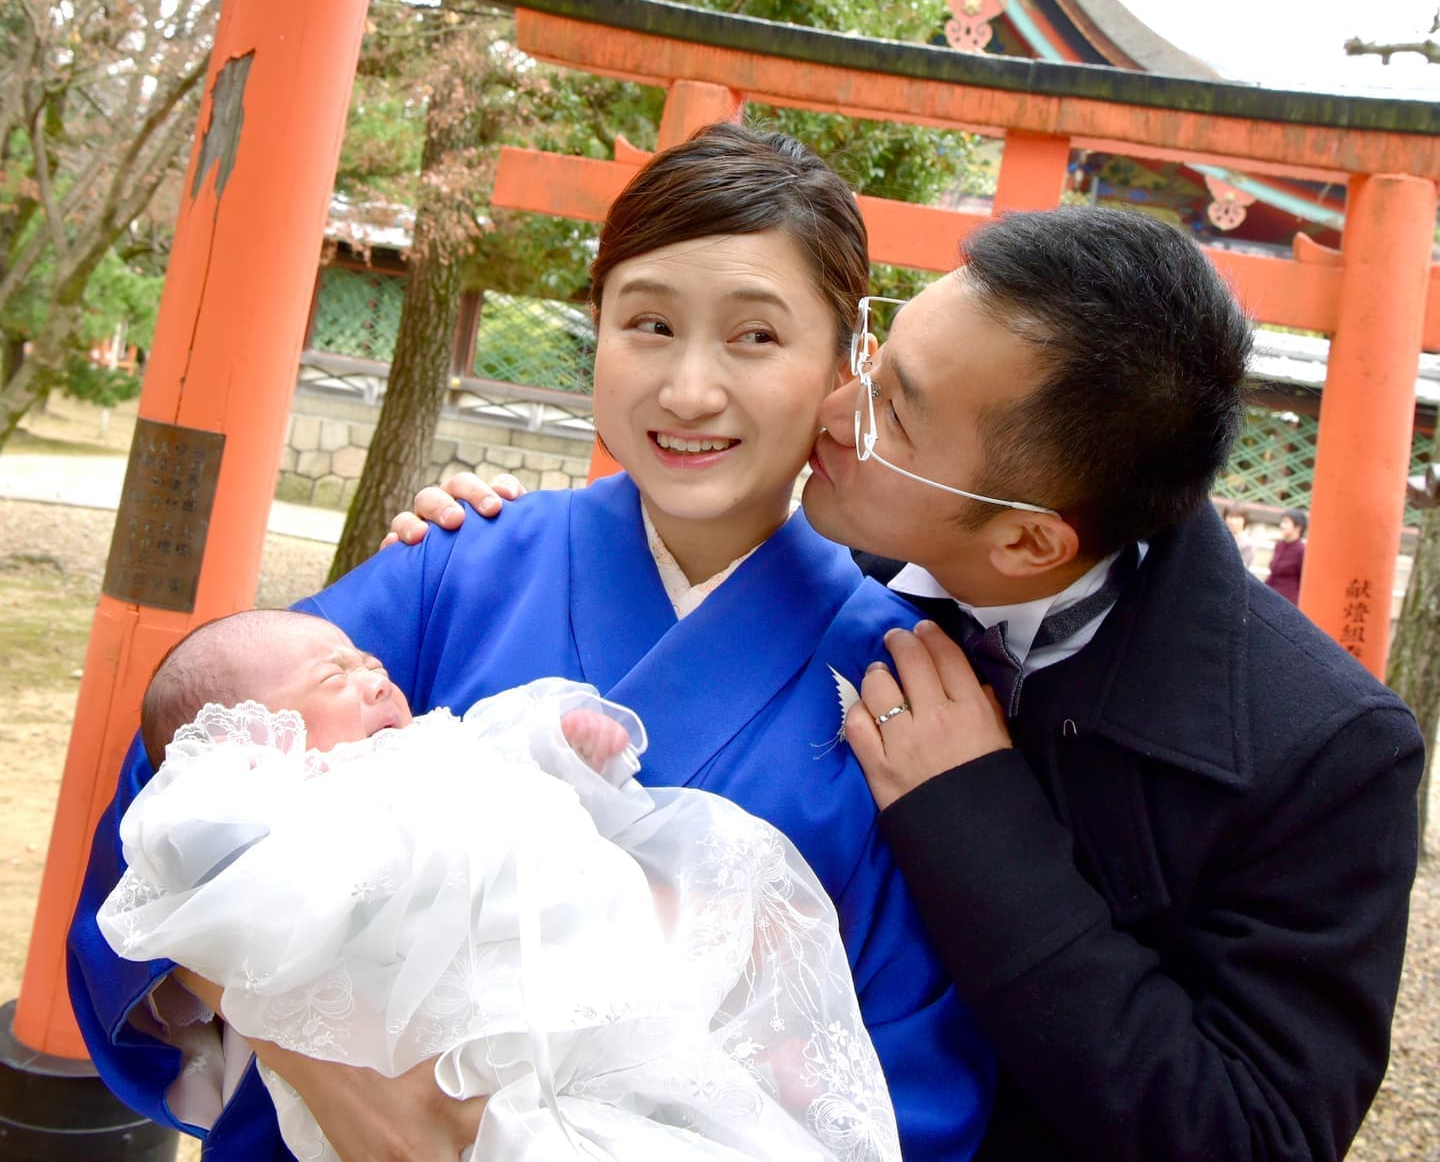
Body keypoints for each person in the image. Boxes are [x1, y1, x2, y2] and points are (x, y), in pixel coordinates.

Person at [403, 206, 1422, 1162]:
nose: (838, 413)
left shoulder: (1324, 750)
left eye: (895, 414)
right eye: (874, 365)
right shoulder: (844, 555)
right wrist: (477, 546)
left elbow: (1254, 1135)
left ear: (1028, 539)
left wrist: (977, 824)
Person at [70, 123, 994, 1162]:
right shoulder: (452, 568)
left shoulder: (899, 687)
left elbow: (903, 1079)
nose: (690, 390)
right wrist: (348, 1080)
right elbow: (171, 822)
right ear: (594, 326)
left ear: (845, 364)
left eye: (756, 336)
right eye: (647, 323)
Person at [99, 609, 900, 1162]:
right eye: (334, 677)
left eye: (371, 662)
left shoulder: (439, 744)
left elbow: (509, 739)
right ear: (253, 743)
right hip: (475, 1057)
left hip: (606, 982)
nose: (376, 676)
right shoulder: (304, 812)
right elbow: (183, 862)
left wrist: (565, 742)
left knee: (684, 1065)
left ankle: (772, 1090)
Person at [1266, 506, 1307, 605]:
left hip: (1288, 601)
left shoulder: (1301, 550)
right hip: (1270, 596)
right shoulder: (1279, 545)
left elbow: (1303, 580)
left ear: (1298, 527)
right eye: (1282, 522)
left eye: (1286, 522)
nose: (1282, 525)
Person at [1223, 503, 1254, 569]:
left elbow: (1242, 568)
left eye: (1237, 518)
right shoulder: (1219, 537)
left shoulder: (1248, 544)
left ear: (1245, 520)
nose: (1233, 521)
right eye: (1230, 517)